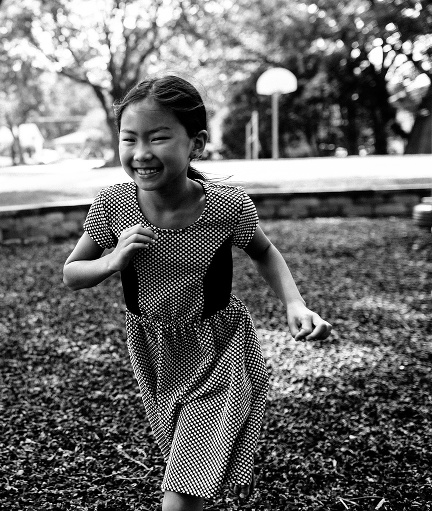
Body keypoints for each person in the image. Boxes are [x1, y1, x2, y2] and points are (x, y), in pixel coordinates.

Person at [62, 75, 332, 511]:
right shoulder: (113, 204)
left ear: (196, 143)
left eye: (159, 137)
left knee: (184, 488)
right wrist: (111, 262)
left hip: (218, 348)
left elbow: (264, 252)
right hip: (153, 350)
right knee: (187, 468)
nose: (141, 153)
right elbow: (72, 273)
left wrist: (294, 302)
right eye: (128, 139)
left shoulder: (227, 206)